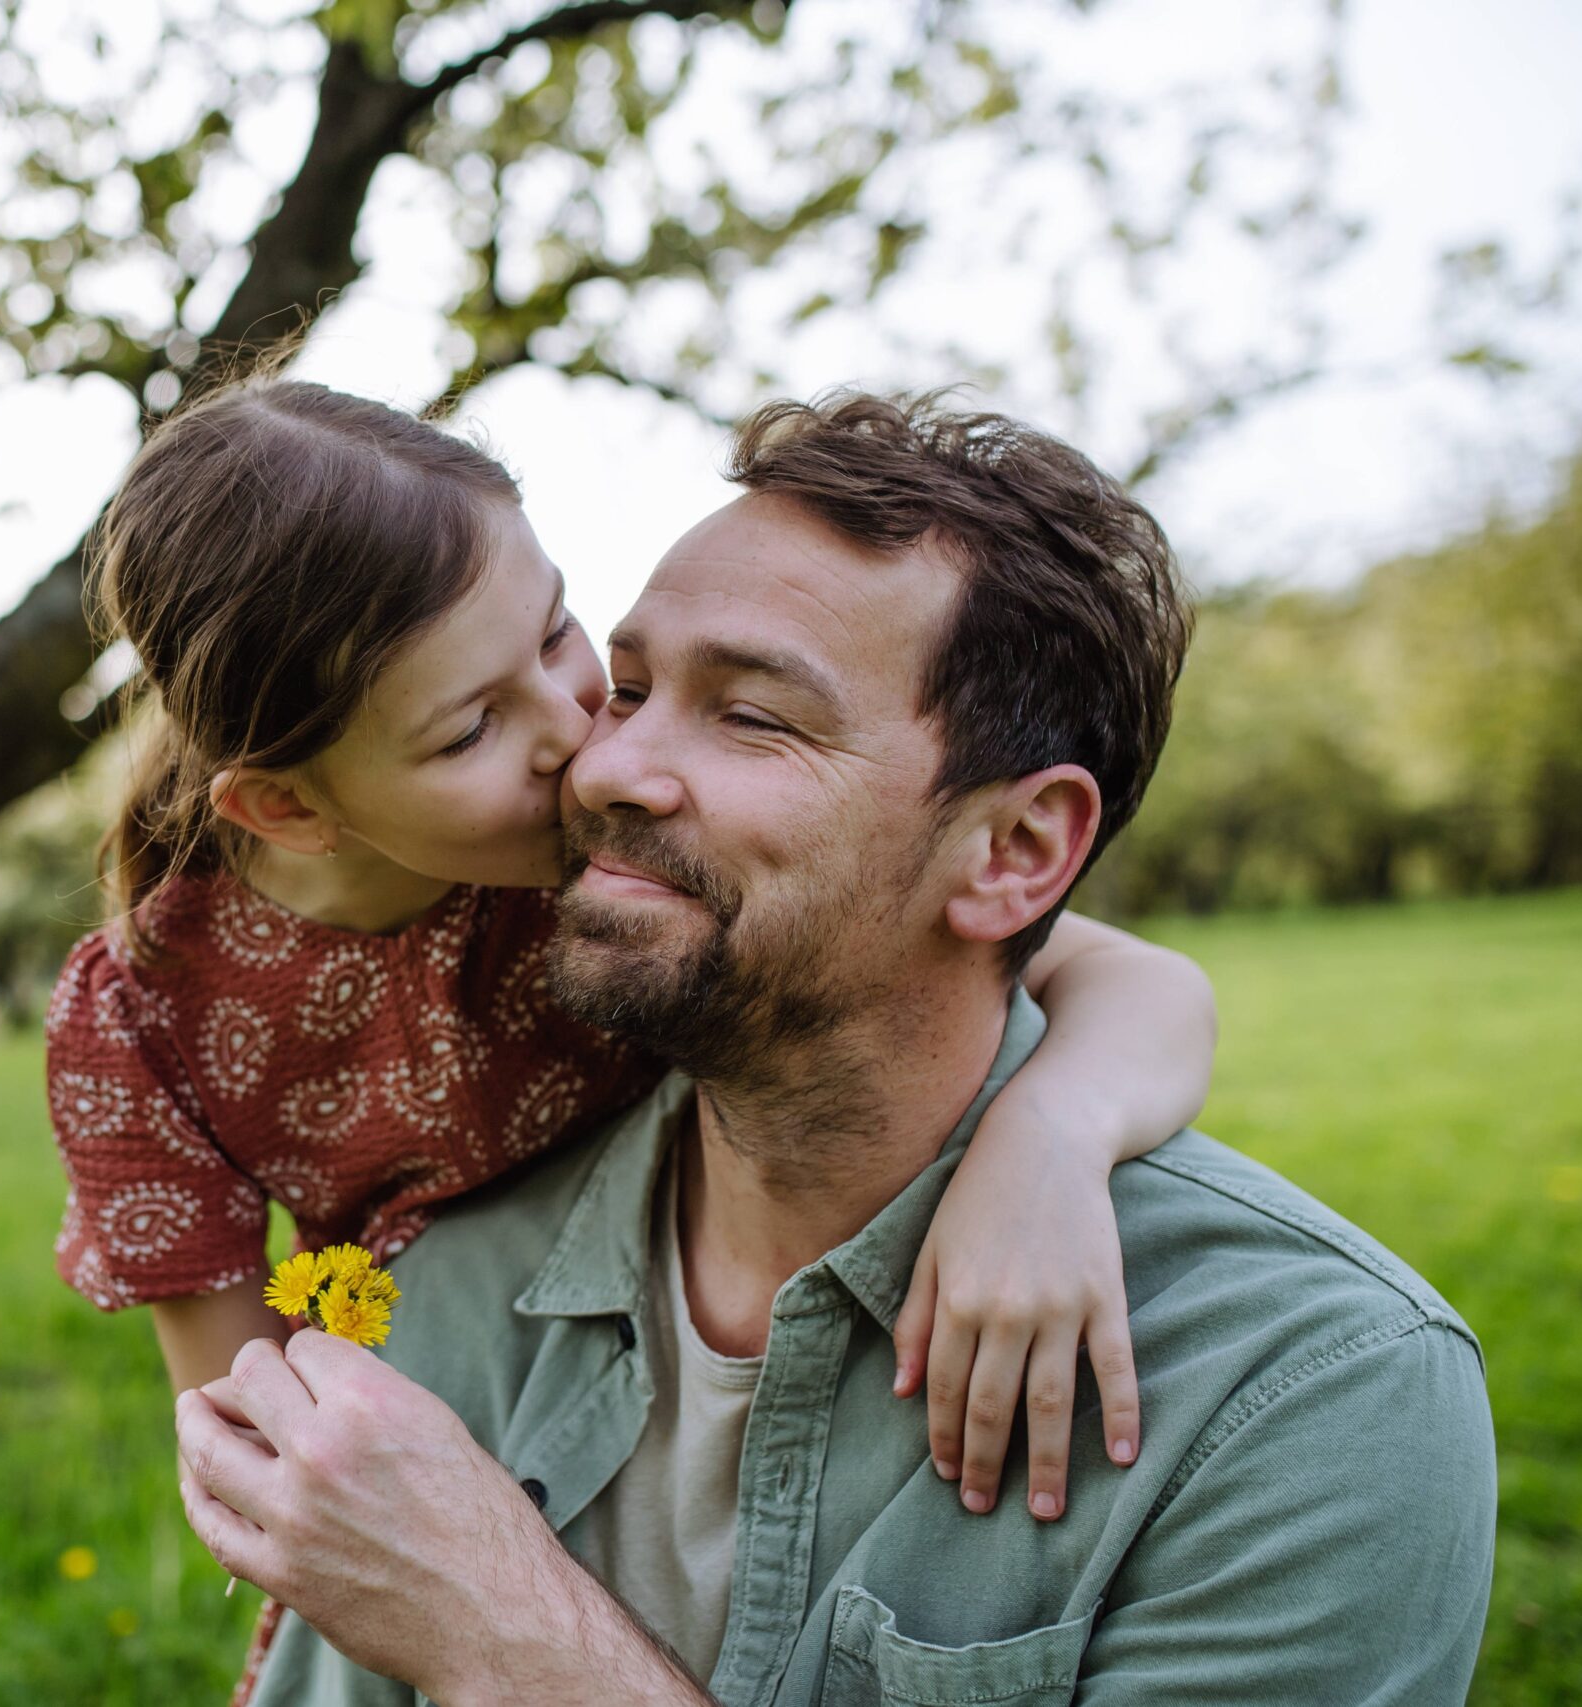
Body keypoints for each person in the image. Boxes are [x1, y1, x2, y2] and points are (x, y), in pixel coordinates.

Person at [175, 392, 1498, 1706]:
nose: (600, 766)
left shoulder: (1306, 1397)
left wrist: (506, 1637)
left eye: (753, 715)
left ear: (1017, 852)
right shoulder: (446, 1302)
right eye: (627, 689)